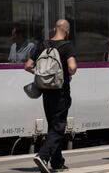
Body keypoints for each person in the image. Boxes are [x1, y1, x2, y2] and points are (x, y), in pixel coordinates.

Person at [25, 19, 77, 173]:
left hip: (45, 93)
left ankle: (57, 162)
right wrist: (64, 74)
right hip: (61, 92)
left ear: (55, 29)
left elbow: (27, 66)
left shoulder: (42, 45)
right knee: (59, 127)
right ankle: (43, 155)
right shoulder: (67, 46)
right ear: (67, 31)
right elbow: (72, 68)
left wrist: (42, 75)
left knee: (53, 127)